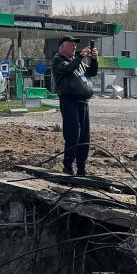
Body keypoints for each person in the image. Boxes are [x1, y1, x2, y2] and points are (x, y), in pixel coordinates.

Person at [52, 35, 99, 175]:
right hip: (69, 101)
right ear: (62, 46)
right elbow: (68, 69)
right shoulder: (58, 60)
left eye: (75, 45)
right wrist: (80, 56)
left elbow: (92, 72)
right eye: (71, 44)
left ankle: (81, 167)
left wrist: (94, 59)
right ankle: (68, 166)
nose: (74, 47)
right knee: (73, 134)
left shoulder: (77, 62)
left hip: (83, 102)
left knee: (84, 136)